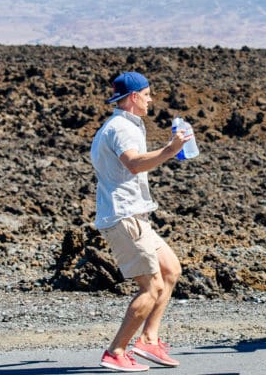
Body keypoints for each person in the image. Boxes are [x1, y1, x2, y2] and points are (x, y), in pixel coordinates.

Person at [91, 71, 187, 372]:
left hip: (134, 215)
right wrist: (170, 150)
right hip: (124, 217)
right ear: (133, 97)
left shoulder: (126, 124)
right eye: (147, 95)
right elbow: (132, 163)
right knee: (152, 287)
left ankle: (148, 339)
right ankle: (116, 351)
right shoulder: (121, 128)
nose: (150, 99)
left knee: (171, 270)